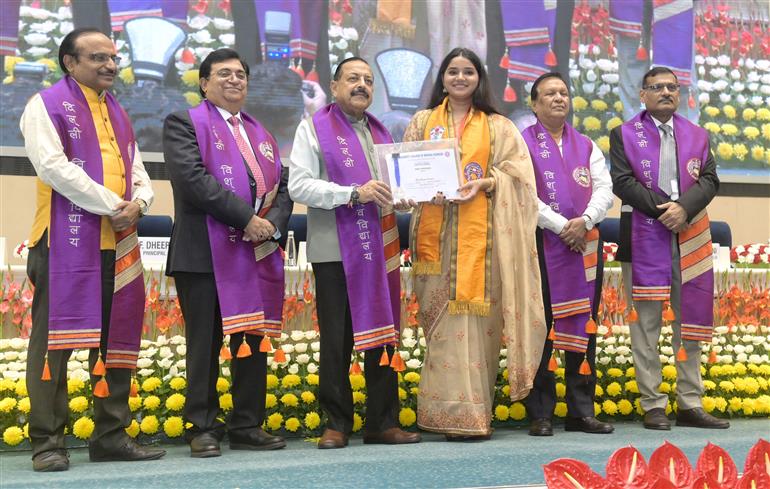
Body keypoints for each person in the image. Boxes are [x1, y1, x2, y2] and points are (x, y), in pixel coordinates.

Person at [20, 27, 165, 471]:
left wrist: (141, 203)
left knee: (114, 338)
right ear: (70, 62)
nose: (110, 65)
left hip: (117, 241)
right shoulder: (45, 105)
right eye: (98, 57)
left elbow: (136, 169)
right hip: (64, 242)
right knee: (55, 344)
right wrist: (113, 205)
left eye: (113, 57)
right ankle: (48, 442)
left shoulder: (117, 111)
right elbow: (53, 166)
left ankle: (110, 436)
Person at [403, 47, 546, 440]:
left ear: (479, 79)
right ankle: (443, 414)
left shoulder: (499, 126)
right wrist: (411, 190)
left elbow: (521, 178)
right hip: (434, 243)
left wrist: (488, 182)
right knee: (441, 330)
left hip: (483, 246)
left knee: (477, 330)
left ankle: (474, 416)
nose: (460, 78)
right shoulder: (421, 122)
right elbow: (407, 170)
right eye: (453, 71)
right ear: (443, 78)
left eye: (468, 72)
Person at [163, 48, 293, 457]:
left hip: (255, 252)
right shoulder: (183, 122)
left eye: (240, 74)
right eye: (224, 73)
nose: (234, 79)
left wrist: (271, 225)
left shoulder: (262, 135)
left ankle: (247, 424)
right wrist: (246, 219)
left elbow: (283, 187)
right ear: (204, 83)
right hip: (202, 254)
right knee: (205, 344)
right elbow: (192, 181)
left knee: (252, 340)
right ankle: (202, 426)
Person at [288, 56, 421, 449]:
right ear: (334, 86)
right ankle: (336, 423)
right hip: (335, 251)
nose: (361, 85)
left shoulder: (382, 132)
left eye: (367, 80)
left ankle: (382, 422)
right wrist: (352, 193)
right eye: (352, 78)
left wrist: (403, 199)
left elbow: (391, 189)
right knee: (337, 339)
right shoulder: (312, 128)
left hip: (381, 250)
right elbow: (298, 185)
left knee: (384, 334)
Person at [610, 66, 727, 431]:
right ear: (642, 94)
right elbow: (622, 182)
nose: (666, 92)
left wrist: (684, 209)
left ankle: (690, 402)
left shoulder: (697, 135)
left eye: (672, 87)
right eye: (657, 87)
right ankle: (653, 403)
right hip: (642, 234)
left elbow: (710, 179)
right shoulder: (623, 134)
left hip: (689, 234)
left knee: (689, 319)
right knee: (645, 325)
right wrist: (666, 211)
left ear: (679, 94)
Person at [521, 72, 614, 437]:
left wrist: (585, 221)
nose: (559, 98)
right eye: (550, 93)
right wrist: (562, 226)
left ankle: (581, 411)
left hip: (585, 246)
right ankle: (541, 413)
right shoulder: (522, 144)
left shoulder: (587, 145)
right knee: (542, 328)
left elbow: (604, 189)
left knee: (583, 324)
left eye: (563, 92)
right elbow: (524, 195)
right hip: (540, 244)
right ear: (534, 103)